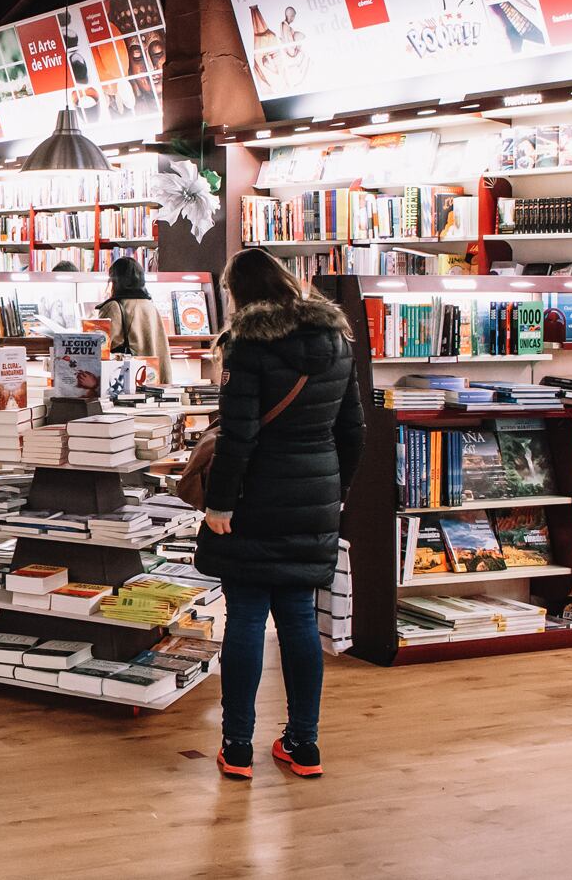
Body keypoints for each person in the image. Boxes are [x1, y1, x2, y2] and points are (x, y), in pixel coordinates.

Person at [199, 248, 362, 782]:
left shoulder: (248, 344)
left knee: (245, 616)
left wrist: (218, 504)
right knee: (297, 619)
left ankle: (238, 748)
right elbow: (352, 430)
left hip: (254, 498)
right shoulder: (338, 339)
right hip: (315, 496)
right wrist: (335, 494)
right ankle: (304, 745)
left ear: (240, 293)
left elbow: (238, 438)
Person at [97, 256, 171, 384]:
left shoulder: (115, 306)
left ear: (115, 280)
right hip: (152, 380)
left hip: (125, 382)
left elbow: (99, 347)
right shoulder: (151, 306)